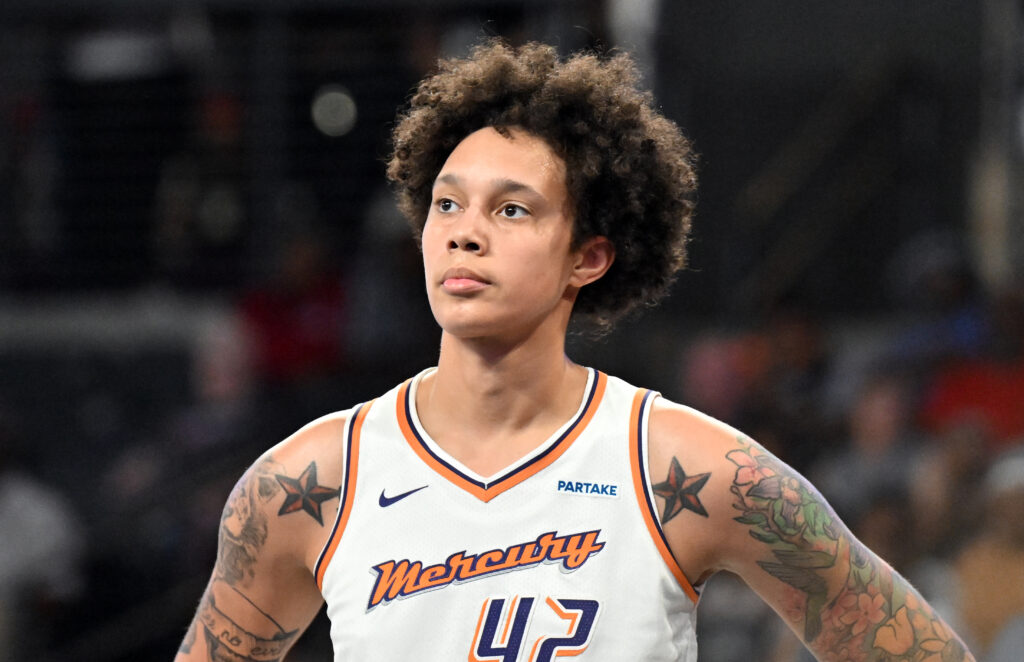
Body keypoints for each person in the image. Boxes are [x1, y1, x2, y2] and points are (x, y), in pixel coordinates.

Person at [174, 40, 975, 661]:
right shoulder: (305, 484)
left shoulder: (687, 470)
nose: (463, 229)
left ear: (588, 257)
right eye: (446, 202)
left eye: (511, 210)